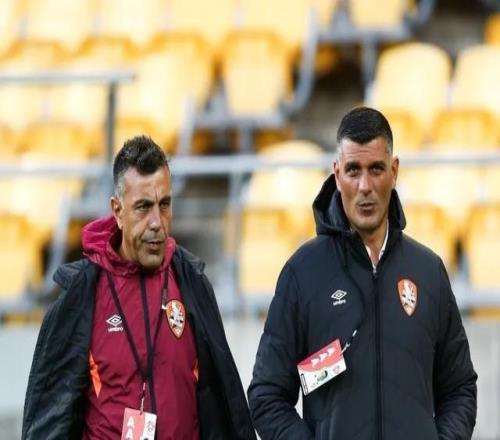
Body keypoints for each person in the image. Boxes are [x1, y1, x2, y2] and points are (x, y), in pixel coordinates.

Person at [247, 107, 477, 439]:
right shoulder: (302, 273)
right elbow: (266, 396)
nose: (365, 186)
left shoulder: (428, 271)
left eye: (376, 169)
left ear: (394, 171)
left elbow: (460, 389)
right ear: (337, 173)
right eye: (353, 170)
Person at [22, 136, 256, 440]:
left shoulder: (192, 283)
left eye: (164, 205)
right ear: (117, 211)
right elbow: (49, 419)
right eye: (143, 207)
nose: (157, 222)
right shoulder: (82, 295)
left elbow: (224, 404)